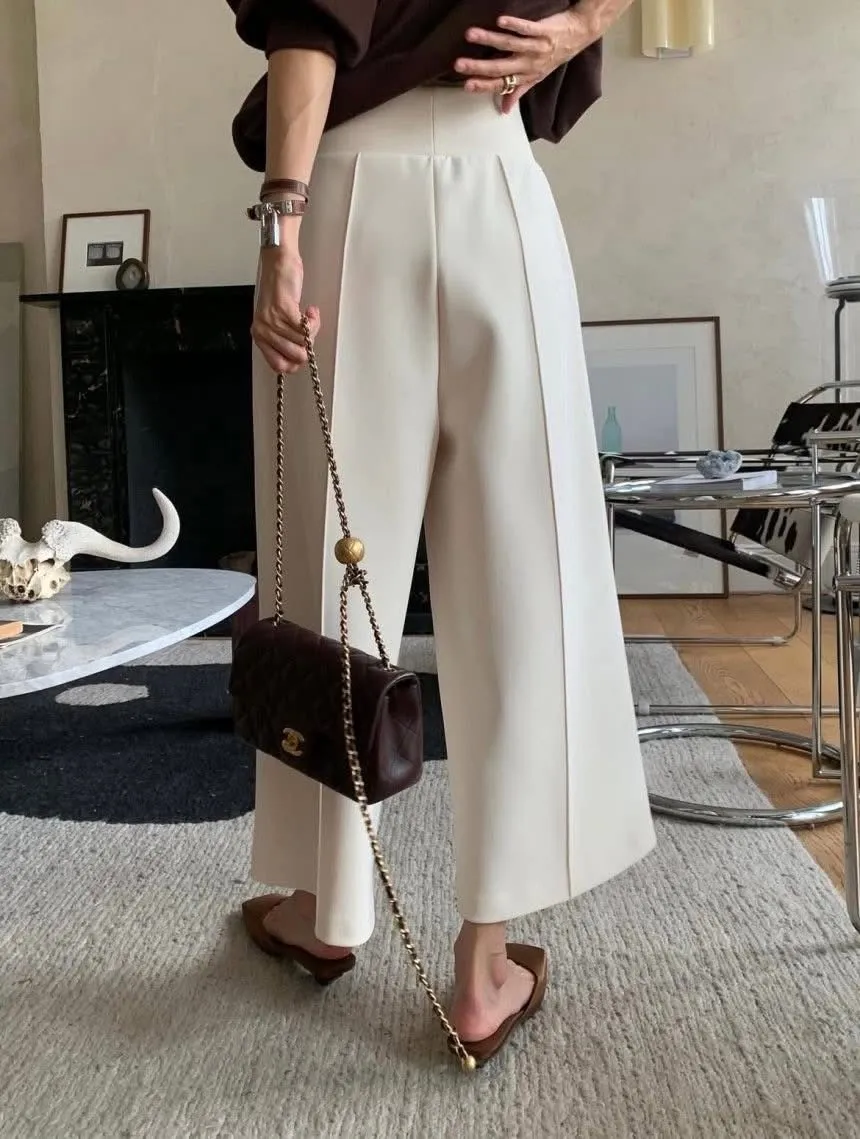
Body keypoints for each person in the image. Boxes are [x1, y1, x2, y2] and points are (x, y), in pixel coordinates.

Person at [227, 0, 655, 1066]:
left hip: (345, 191)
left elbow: (310, 19)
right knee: (525, 571)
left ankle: (327, 909)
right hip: (496, 182)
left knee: (330, 562)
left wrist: (281, 224)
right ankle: (482, 960)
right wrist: (583, 22)